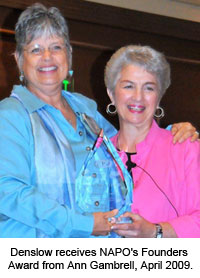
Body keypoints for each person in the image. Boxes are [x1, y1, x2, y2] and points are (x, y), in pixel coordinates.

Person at [0, 4, 198, 238]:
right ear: (19, 60)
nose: (47, 58)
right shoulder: (11, 115)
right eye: (35, 49)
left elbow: (125, 143)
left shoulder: (84, 109)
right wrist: (84, 224)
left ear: (69, 55)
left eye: (56, 47)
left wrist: (173, 134)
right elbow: (8, 192)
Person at [104, 45, 200, 238]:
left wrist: (155, 232)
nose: (138, 97)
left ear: (159, 97)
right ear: (112, 94)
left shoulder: (184, 147)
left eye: (149, 88)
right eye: (128, 86)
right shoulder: (98, 153)